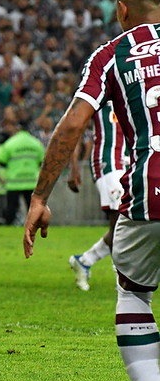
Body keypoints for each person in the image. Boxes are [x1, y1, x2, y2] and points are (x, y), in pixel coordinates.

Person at [23, 0, 160, 381]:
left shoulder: (112, 54)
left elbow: (73, 124)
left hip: (147, 191)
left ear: (121, 10)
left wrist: (40, 198)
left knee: (134, 294)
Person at [66, 101, 125, 291]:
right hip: (108, 161)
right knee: (122, 222)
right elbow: (76, 125)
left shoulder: (137, 84)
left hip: (132, 161)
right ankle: (122, 279)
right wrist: (73, 165)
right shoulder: (100, 86)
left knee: (130, 224)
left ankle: (84, 261)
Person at [0, 122, 45, 225]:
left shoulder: (10, 143)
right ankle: (34, 225)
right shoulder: (36, 143)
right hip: (31, 181)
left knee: (11, 207)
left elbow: (2, 162)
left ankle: (9, 225)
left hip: (14, 181)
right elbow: (42, 162)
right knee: (32, 207)